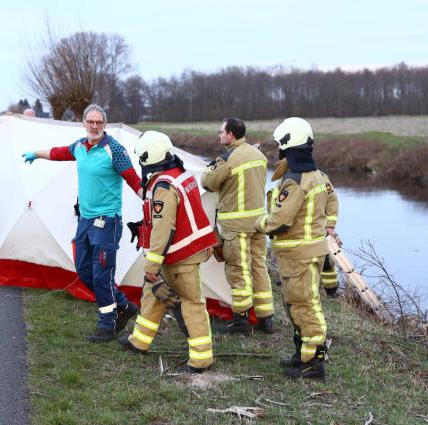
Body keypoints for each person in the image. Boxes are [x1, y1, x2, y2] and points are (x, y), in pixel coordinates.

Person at [22, 104, 140, 342]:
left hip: (107, 221)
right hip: (85, 220)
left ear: (104, 125)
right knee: (85, 270)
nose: (94, 126)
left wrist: (150, 200)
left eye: (98, 122)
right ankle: (124, 306)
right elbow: (58, 152)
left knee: (102, 273)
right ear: (84, 123)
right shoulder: (79, 147)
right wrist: (36, 153)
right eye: (90, 122)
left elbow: (133, 180)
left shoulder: (114, 150)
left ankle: (107, 325)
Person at [119, 131, 217, 373]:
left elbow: (163, 229)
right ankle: (139, 341)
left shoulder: (162, 186)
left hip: (179, 255)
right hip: (186, 250)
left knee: (191, 303)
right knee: (153, 294)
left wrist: (151, 266)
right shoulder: (180, 175)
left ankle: (201, 359)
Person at [254, 117, 338, 380]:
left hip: (298, 255)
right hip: (309, 251)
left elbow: (279, 220)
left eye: (280, 145)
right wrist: (330, 225)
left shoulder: (295, 181)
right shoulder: (319, 175)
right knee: (297, 305)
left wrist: (259, 224)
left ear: (287, 146)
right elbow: (333, 200)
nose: (278, 150)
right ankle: (301, 355)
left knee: (304, 306)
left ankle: (313, 364)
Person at [200, 118, 274, 334]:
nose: (219, 135)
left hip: (235, 225)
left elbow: (208, 182)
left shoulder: (227, 159)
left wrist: (212, 168)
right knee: (259, 267)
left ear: (230, 134)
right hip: (259, 222)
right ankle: (266, 318)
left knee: (238, 271)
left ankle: (240, 321)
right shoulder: (258, 155)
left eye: (221, 132)